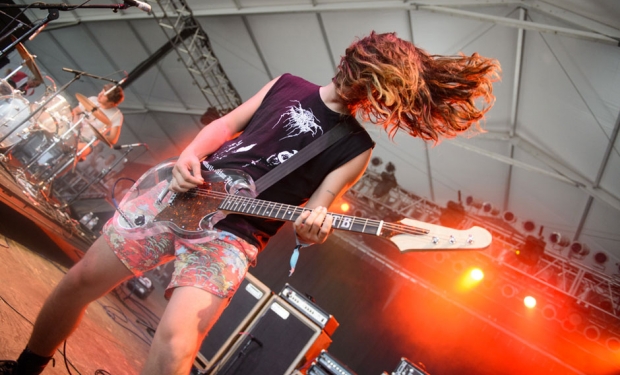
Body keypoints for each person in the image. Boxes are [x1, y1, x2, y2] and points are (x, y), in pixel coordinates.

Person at [0, 31, 500, 375]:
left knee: (176, 342)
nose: (356, 89)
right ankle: (27, 367)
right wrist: (189, 156)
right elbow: (226, 126)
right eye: (358, 76)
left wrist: (314, 224)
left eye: (368, 88)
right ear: (352, 60)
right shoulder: (288, 86)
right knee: (81, 281)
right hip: (188, 194)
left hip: (233, 238)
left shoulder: (356, 148)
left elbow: (317, 211)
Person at [72, 83, 124, 159]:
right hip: (72, 131)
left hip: (87, 142)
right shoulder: (93, 100)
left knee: (75, 151)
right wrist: (76, 121)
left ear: (111, 103)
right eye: (101, 91)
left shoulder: (116, 115)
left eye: (104, 95)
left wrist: (99, 135)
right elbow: (76, 111)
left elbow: (113, 139)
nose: (100, 95)